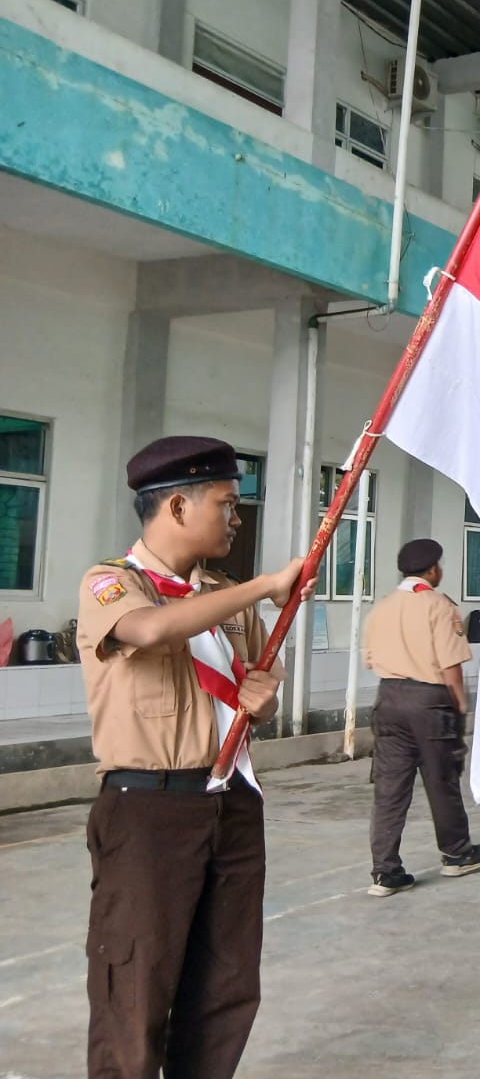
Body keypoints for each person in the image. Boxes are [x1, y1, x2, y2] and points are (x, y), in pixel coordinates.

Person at [78, 435, 306, 1079]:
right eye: (227, 504)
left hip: (232, 802)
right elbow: (152, 630)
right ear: (178, 506)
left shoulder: (224, 595)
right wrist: (265, 586)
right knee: (136, 982)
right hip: (149, 809)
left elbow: (257, 685)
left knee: (226, 981)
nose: (237, 518)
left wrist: (262, 700)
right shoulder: (112, 584)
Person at [365, 538, 480, 898]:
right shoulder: (439, 606)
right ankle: (457, 853)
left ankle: (385, 871)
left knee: (389, 788)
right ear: (433, 569)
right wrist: (460, 704)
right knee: (441, 779)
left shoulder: (382, 607)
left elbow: (371, 659)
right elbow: (451, 666)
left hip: (388, 699)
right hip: (429, 702)